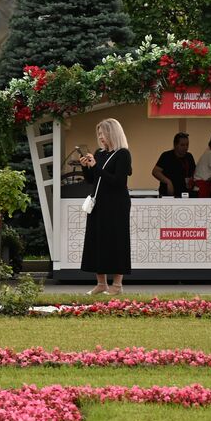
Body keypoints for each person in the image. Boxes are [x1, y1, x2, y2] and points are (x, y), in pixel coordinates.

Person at [79, 118, 133, 296]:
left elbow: (118, 182)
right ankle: (101, 283)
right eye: (99, 134)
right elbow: (92, 180)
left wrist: (97, 167)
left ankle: (117, 285)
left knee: (116, 241)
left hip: (116, 204)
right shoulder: (99, 153)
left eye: (103, 133)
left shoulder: (123, 154)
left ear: (112, 133)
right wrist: (86, 167)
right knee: (97, 241)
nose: (100, 137)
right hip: (98, 203)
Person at [153, 132, 195, 197]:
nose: (185, 147)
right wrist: (168, 182)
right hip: (168, 195)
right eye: (182, 145)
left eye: (187, 145)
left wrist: (191, 180)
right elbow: (155, 171)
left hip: (185, 194)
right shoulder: (166, 156)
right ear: (175, 145)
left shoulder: (189, 156)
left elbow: (193, 172)